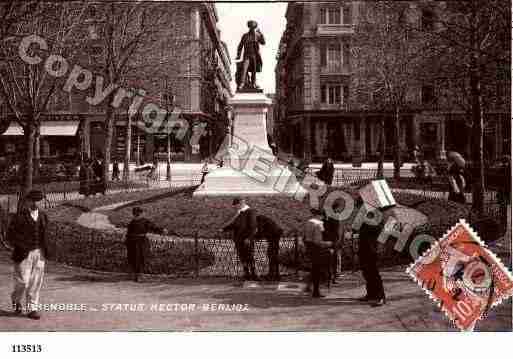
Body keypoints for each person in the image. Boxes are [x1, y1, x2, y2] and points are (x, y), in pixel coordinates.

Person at [8, 190, 49, 319]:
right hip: (23, 253)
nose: (36, 203)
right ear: (28, 201)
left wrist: (46, 249)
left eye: (38, 200)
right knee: (23, 282)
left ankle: (32, 309)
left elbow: (46, 234)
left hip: (39, 252)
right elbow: (10, 235)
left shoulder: (43, 216)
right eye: (33, 200)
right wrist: (21, 245)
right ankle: (16, 299)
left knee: (35, 282)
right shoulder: (19, 216)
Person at [355, 197, 386, 307]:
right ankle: (371, 294)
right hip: (364, 248)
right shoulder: (364, 218)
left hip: (372, 249)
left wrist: (378, 247)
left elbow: (380, 234)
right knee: (366, 272)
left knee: (373, 272)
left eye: (360, 207)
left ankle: (380, 296)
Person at [125, 207, 167, 282]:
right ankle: (136, 274)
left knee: (142, 256)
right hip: (133, 242)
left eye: (138, 213)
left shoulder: (144, 221)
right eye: (135, 213)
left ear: (140, 213)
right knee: (134, 257)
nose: (137, 215)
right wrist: (127, 242)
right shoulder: (132, 223)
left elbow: (153, 227)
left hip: (141, 242)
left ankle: (140, 274)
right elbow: (128, 234)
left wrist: (161, 230)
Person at [221, 198, 258, 281]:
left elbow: (253, 226)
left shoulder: (250, 211)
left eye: (236, 205)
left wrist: (249, 238)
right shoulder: (239, 213)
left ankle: (254, 274)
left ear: (241, 204)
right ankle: (246, 274)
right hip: (238, 239)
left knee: (250, 256)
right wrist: (224, 229)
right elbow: (234, 224)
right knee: (242, 257)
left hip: (247, 239)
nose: (235, 207)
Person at [304, 208, 332, 298]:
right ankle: (316, 291)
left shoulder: (308, 222)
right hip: (316, 249)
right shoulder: (319, 224)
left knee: (313, 267)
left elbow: (305, 237)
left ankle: (309, 287)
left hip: (309, 247)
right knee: (318, 269)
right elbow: (318, 241)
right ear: (322, 216)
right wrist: (329, 243)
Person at [236, 20, 266, 90]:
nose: (252, 28)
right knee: (244, 68)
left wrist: (261, 34)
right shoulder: (245, 36)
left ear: (255, 27)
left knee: (254, 71)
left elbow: (263, 42)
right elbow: (240, 45)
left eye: (253, 27)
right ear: (249, 27)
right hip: (247, 55)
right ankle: (242, 83)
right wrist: (238, 55)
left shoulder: (258, 35)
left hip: (255, 55)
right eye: (251, 27)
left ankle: (253, 83)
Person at [256, 214, 283, 281]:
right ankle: (276, 274)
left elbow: (260, 231)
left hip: (273, 238)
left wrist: (255, 237)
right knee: (274, 257)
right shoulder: (265, 219)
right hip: (275, 237)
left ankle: (272, 275)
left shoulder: (260, 219)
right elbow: (261, 231)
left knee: (272, 256)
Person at [322, 201, 343, 284]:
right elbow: (337, 230)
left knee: (329, 259)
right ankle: (332, 278)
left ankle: (329, 278)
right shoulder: (335, 217)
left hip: (328, 240)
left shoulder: (327, 219)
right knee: (333, 260)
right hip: (333, 240)